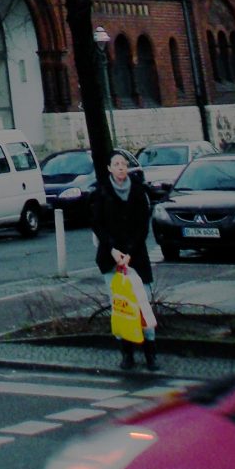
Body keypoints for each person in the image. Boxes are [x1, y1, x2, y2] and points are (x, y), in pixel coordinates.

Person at [92, 150, 157, 369]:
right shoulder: (101, 192)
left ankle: (150, 354)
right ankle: (127, 354)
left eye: (123, 164)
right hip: (111, 258)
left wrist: (129, 252)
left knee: (142, 303)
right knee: (120, 306)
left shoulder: (138, 190)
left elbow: (142, 225)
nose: (121, 167)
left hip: (135, 256)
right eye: (116, 164)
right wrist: (112, 250)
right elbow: (97, 224)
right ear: (109, 169)